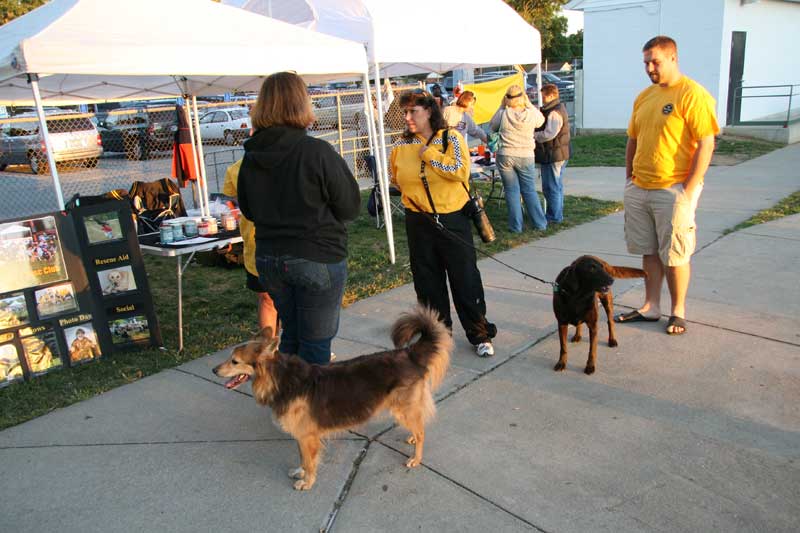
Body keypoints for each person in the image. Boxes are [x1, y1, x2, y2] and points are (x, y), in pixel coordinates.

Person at [238, 72, 361, 365]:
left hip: (270, 260)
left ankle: (289, 405)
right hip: (316, 256)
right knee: (316, 344)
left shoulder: (251, 157)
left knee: (292, 335)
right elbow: (350, 207)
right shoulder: (316, 151)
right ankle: (311, 409)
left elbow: (249, 210)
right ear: (301, 104)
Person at [614, 36, 718, 335]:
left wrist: (688, 188)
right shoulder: (644, 96)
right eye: (646, 62)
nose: (649, 68)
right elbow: (633, 139)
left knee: (674, 253)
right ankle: (651, 306)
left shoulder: (692, 94)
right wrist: (628, 179)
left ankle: (678, 311)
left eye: (655, 62)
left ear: (673, 58)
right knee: (648, 249)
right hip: (640, 187)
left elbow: (706, 143)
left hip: (673, 188)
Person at [389, 90, 497, 357]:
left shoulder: (451, 137)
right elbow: (395, 180)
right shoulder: (401, 146)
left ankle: (479, 333)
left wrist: (430, 156)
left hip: (453, 218)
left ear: (429, 111)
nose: (408, 117)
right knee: (427, 282)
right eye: (405, 112)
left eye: (413, 111)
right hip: (418, 221)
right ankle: (437, 337)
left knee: (465, 279)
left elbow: (461, 170)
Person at [222, 157, 279, 334]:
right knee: (267, 298)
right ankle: (267, 354)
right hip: (256, 243)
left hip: (288, 241)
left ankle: (308, 351)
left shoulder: (292, 158)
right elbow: (231, 198)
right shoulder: (237, 168)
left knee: (297, 300)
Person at [489, 85, 546, 232]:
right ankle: (540, 224)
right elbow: (541, 121)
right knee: (529, 190)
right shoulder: (531, 114)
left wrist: (502, 105)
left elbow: (492, 125)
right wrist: (528, 103)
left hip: (505, 154)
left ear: (507, 98)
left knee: (511, 190)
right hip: (526, 155)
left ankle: (516, 226)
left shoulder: (503, 113)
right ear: (523, 97)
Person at [534, 83, 571, 224]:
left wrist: (534, 135)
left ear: (551, 95)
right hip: (558, 152)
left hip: (553, 154)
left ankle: (554, 216)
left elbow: (549, 134)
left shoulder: (554, 112)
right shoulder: (557, 108)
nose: (542, 99)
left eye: (543, 96)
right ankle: (557, 214)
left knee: (551, 187)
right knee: (556, 185)